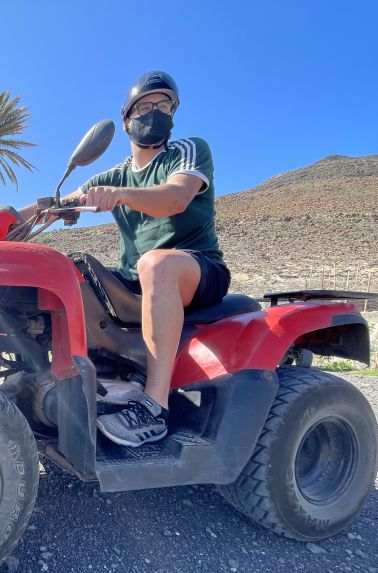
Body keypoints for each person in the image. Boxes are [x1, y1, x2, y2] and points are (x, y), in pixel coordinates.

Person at [19, 70, 230, 447]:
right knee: (71, 274)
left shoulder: (187, 151)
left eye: (164, 106)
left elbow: (175, 197)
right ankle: (79, 381)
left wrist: (121, 194)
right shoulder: (116, 173)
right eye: (145, 106)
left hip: (197, 268)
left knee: (156, 263)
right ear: (126, 119)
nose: (155, 113)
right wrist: (10, 218)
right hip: (137, 277)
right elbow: (59, 204)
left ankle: (154, 407)